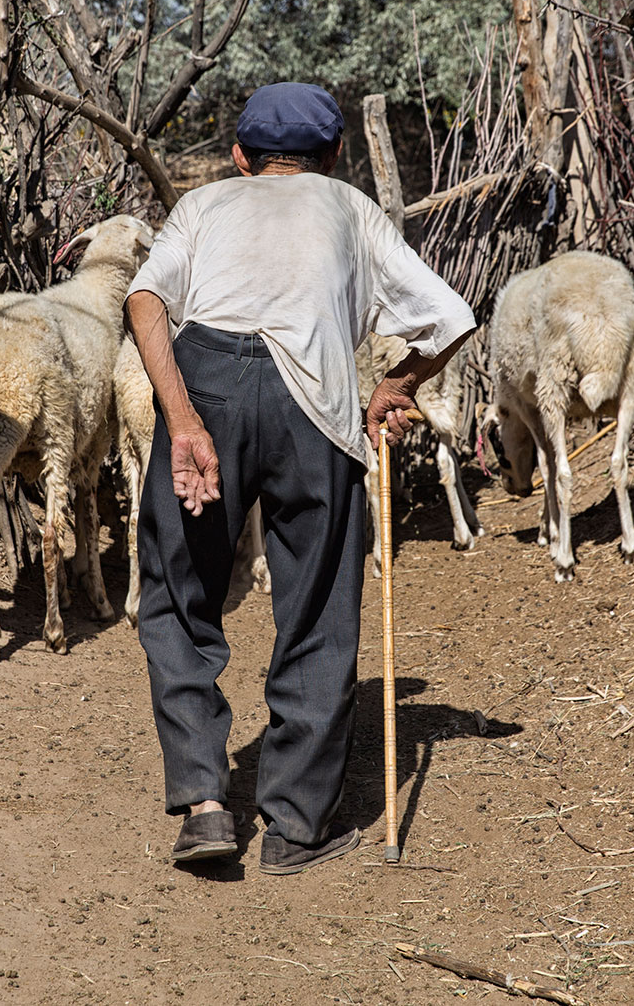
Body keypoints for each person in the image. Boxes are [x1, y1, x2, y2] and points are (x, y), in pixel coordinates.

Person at [123, 81, 476, 875]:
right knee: (316, 602)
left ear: (241, 156)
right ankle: (294, 827)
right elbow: (452, 317)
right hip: (314, 398)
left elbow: (144, 300)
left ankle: (205, 805)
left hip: (205, 379)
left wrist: (182, 419)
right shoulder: (351, 207)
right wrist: (399, 384)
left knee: (180, 590)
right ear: (336, 155)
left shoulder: (207, 204)